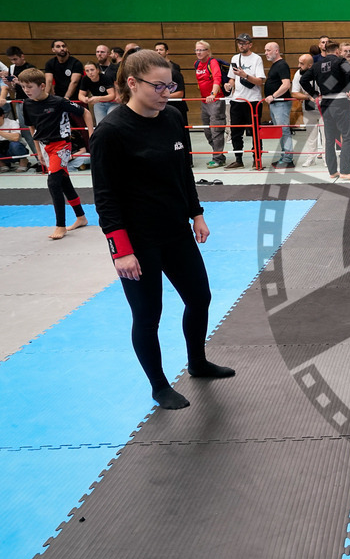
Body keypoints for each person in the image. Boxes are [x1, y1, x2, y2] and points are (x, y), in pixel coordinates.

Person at [90, 49, 234, 411]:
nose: (166, 91)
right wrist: (119, 249)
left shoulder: (171, 117)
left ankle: (197, 363)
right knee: (148, 314)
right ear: (132, 83)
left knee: (200, 297)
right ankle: (158, 385)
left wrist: (196, 213)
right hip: (138, 240)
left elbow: (182, 171)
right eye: (158, 85)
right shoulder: (111, 132)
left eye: (170, 84)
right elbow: (105, 197)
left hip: (176, 230)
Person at [19, 68, 92, 240]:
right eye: (23, 87)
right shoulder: (27, 104)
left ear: (42, 85)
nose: (26, 90)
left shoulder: (58, 102)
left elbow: (86, 112)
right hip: (45, 146)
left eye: (29, 86)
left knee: (53, 183)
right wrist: (38, 151)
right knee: (64, 182)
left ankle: (61, 225)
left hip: (61, 146)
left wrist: (91, 136)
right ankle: (81, 217)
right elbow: (32, 128)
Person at [300, 41, 350, 179]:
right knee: (347, 137)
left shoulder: (316, 65)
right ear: (337, 52)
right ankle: (345, 171)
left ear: (326, 51)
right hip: (339, 102)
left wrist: (315, 94)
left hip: (325, 103)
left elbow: (303, 80)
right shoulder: (340, 62)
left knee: (329, 140)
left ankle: (333, 172)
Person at [224, 33, 266, 169]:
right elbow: (232, 77)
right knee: (236, 132)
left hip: (253, 101)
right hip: (237, 100)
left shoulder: (257, 59)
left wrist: (245, 75)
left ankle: (257, 159)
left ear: (250, 44)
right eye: (239, 43)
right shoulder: (235, 58)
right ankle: (238, 159)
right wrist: (229, 84)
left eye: (244, 43)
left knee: (255, 131)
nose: (241, 45)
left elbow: (260, 81)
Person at [193, 40, 227, 168]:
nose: (198, 52)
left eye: (201, 50)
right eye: (196, 50)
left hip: (216, 101)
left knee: (216, 130)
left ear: (208, 51)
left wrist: (213, 94)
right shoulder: (197, 64)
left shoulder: (212, 62)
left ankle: (217, 158)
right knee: (207, 131)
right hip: (204, 102)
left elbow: (217, 78)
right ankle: (219, 153)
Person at [263, 42, 294, 168]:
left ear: (276, 51)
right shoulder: (275, 65)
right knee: (281, 131)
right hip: (276, 103)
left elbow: (286, 84)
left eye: (268, 50)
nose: (266, 53)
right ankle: (284, 156)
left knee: (284, 130)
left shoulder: (282, 65)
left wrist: (273, 96)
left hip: (280, 103)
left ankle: (288, 158)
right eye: (265, 50)